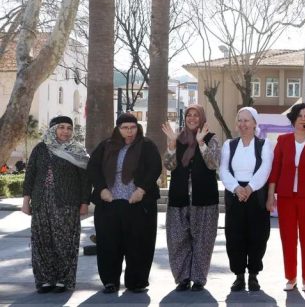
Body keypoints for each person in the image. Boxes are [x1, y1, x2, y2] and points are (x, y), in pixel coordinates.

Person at [87, 113, 162, 294]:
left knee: (139, 243)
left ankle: (136, 282)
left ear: (138, 128)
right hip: (110, 203)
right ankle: (110, 281)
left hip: (137, 203)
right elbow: (93, 167)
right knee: (108, 244)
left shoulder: (146, 146)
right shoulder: (106, 146)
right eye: (125, 128)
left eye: (133, 127)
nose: (129, 131)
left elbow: (155, 168)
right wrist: (101, 189)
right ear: (118, 129)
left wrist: (141, 190)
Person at [22, 116, 90, 293]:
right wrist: (26, 201)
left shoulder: (77, 150)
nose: (65, 131)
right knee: (41, 241)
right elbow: (30, 175)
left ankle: (63, 279)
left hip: (68, 202)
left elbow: (85, 180)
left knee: (65, 241)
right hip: (41, 202)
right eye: (61, 127)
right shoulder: (40, 149)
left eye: (69, 128)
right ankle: (44, 279)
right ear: (53, 129)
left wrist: (84, 202)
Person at [267, 103, 305, 292]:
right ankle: (291, 277)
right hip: (286, 197)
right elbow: (275, 169)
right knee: (288, 237)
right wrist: (271, 196)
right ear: (293, 118)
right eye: (301, 115)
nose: (304, 118)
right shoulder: (283, 141)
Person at [161, 105, 221, 291]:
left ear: (202, 118)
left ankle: (198, 279)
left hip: (204, 199)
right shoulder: (177, 139)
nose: (192, 118)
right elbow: (169, 166)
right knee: (178, 240)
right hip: (179, 198)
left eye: (196, 115)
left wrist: (201, 143)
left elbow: (213, 164)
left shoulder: (211, 139)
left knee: (203, 240)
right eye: (189, 115)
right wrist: (171, 145)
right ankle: (183, 277)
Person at [219, 107, 273, 292]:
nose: (243, 124)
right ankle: (239, 275)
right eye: (240, 120)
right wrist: (236, 188)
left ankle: (253, 275)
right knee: (234, 236)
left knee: (258, 236)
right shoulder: (229, 144)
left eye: (247, 121)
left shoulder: (264, 144)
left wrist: (249, 188)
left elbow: (265, 168)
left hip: (256, 194)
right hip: (235, 194)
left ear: (255, 123)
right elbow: (224, 170)